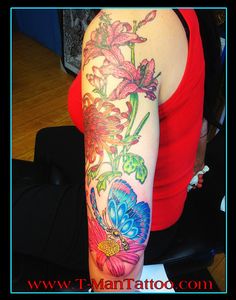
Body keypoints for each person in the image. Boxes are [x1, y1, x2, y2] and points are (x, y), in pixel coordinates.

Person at [13, 8, 222, 292]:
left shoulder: (124, 34)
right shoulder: (186, 15)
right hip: (167, 197)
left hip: (147, 227)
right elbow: (201, 124)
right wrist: (192, 167)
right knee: (49, 141)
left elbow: (117, 271)